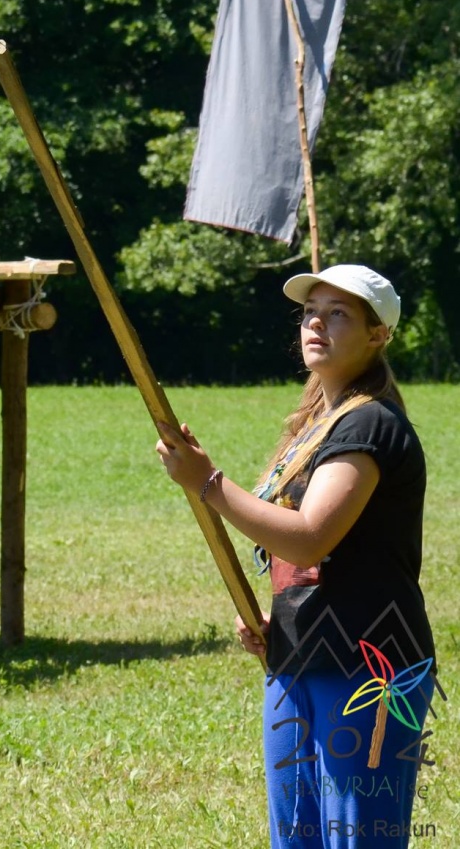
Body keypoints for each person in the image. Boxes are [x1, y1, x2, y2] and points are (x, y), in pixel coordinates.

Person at [154, 265, 435, 848]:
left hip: (368, 669)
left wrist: (208, 483)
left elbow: (311, 536)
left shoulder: (372, 425)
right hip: (299, 661)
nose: (316, 322)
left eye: (338, 313)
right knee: (297, 839)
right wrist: (281, 614)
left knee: (358, 838)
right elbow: (300, 557)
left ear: (378, 334)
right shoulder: (316, 426)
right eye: (312, 311)